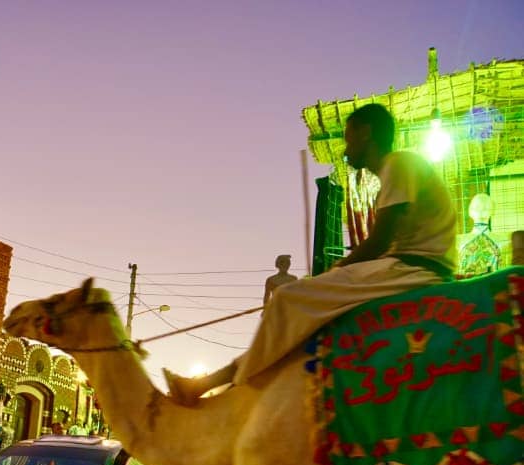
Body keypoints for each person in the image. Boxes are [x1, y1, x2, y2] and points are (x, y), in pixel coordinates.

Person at [167, 103, 457, 405]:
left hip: (414, 268)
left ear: (367, 134)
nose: (346, 149)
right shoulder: (396, 169)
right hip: (404, 265)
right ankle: (214, 384)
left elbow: (380, 242)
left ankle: (225, 389)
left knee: (289, 299)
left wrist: (333, 272)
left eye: (349, 138)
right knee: (295, 306)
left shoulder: (399, 164)